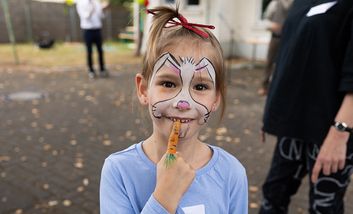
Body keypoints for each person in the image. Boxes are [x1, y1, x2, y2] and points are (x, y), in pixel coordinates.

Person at [100, 6, 248, 214]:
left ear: (215, 99)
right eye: (168, 84)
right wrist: (164, 196)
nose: (183, 102)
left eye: (200, 87)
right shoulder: (119, 171)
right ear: (143, 90)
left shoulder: (232, 173)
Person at [260, 0, 353, 213]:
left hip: (333, 127)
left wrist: (340, 132)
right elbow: (288, 57)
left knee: (324, 205)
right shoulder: (300, 2)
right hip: (292, 125)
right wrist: (271, 113)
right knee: (272, 197)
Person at [258, 0, 293, 96]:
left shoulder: (295, 4)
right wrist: (271, 26)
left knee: (285, 64)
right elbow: (265, 21)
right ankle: (264, 86)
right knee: (269, 62)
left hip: (289, 39)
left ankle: (280, 88)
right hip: (275, 38)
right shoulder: (275, 3)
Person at [76, 0, 109, 79]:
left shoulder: (97, 2)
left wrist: (104, 9)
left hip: (97, 30)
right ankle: (91, 70)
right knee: (89, 51)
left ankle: (102, 69)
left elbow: (101, 16)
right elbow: (85, 17)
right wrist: (91, 8)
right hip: (88, 30)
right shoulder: (80, 3)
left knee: (100, 51)